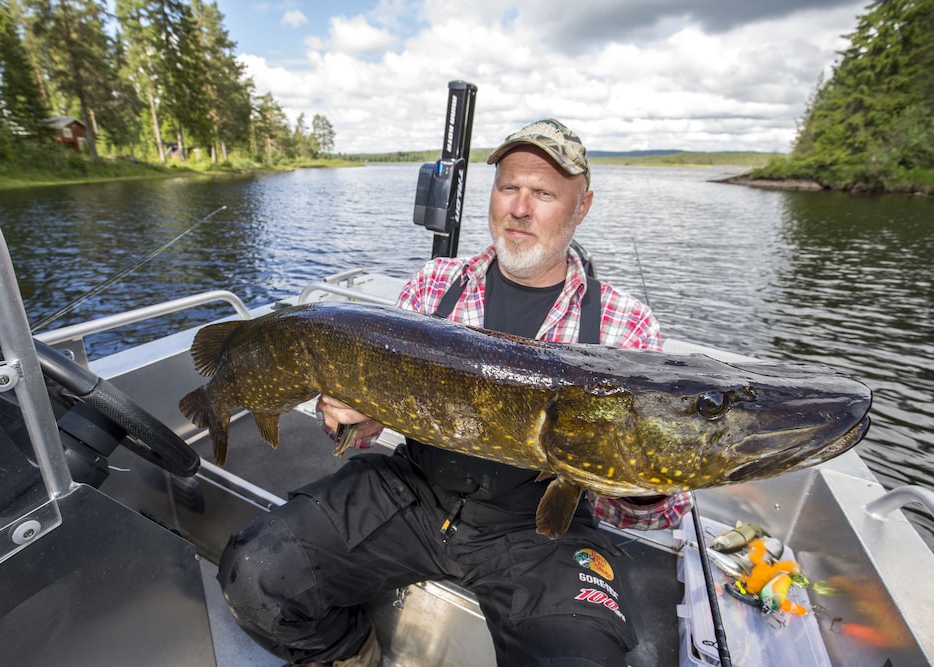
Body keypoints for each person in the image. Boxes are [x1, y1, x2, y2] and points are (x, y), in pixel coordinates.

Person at [218, 119, 690, 666]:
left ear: (581, 206)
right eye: (509, 186)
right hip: (415, 488)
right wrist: (353, 413)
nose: (519, 207)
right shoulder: (434, 284)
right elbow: (373, 419)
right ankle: (353, 654)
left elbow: (654, 516)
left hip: (539, 527)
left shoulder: (626, 328)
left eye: (543, 193)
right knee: (253, 574)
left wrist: (640, 477)